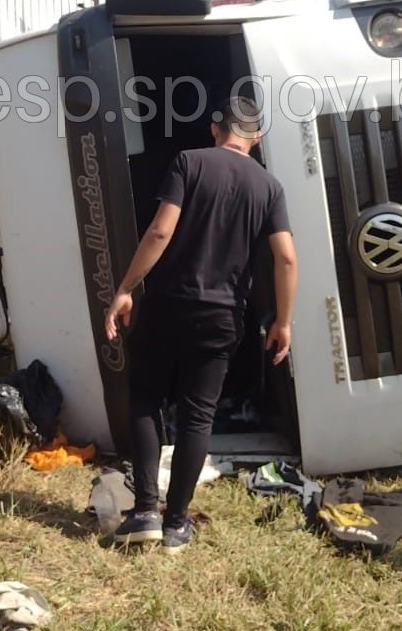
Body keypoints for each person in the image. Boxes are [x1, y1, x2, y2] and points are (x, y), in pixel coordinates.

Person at [103, 95, 298, 553]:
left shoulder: (188, 163)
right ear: (258, 138)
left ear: (216, 129)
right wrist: (283, 322)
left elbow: (159, 231)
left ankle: (145, 511)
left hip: (169, 304)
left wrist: (126, 287)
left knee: (146, 398)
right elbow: (285, 256)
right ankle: (175, 525)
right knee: (198, 415)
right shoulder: (269, 186)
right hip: (223, 316)